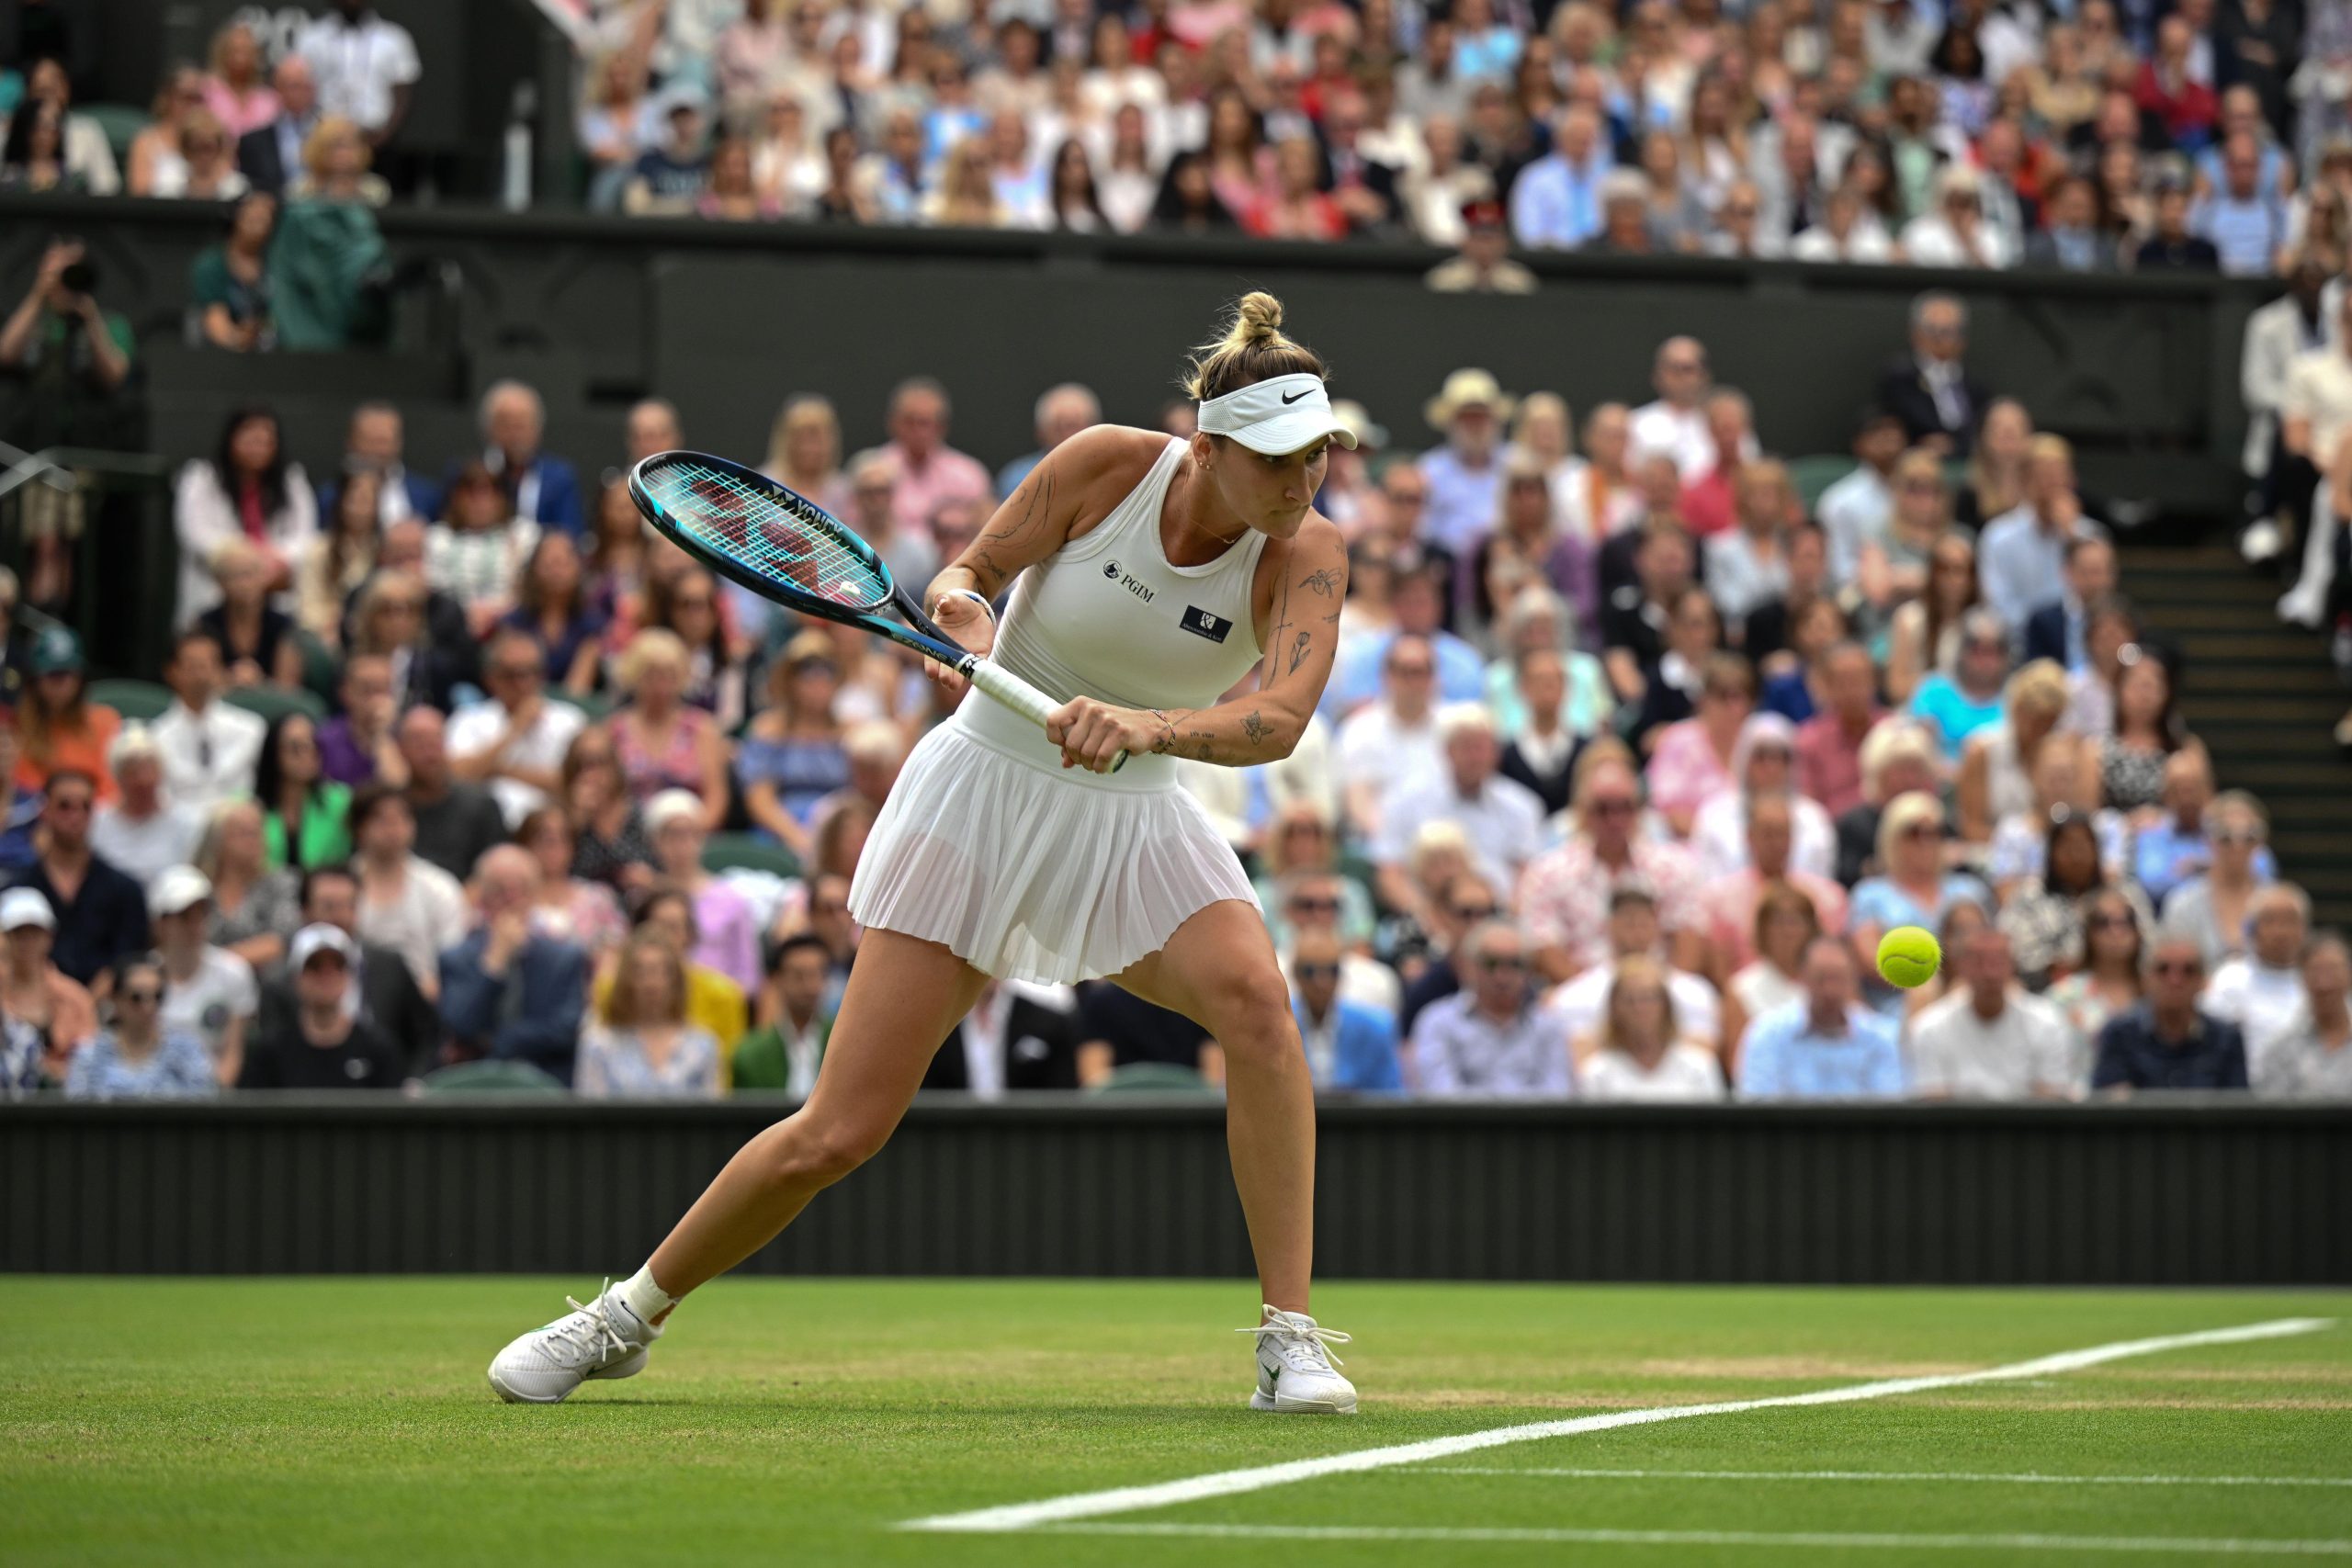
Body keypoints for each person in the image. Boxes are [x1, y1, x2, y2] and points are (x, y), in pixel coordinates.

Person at [489, 292, 1361, 1413]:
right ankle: (624, 1316)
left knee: (1257, 1006)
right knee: (840, 1131)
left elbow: (1280, 718)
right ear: (1210, 447)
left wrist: (1146, 727)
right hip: (981, 798)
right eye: (1282, 461)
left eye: (1321, 457)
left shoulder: (1309, 552)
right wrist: (962, 616)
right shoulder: (1105, 466)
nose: (1305, 484)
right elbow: (966, 575)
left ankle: (1289, 1338)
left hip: (1137, 818)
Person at [1521, 751, 1707, 982]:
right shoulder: (1547, 873)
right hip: (1580, 1000)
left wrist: (1654, 999)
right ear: (1581, 812)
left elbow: (1688, 946)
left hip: (1661, 996)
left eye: (1624, 807)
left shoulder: (1675, 867)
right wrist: (1596, 996)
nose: (1615, 820)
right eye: (1603, 808)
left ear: (1639, 811)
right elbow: (1544, 948)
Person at [251, 862, 441, 1077]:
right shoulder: (278, 982)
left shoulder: (390, 966)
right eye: (329, 906)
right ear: (305, 911)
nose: (340, 916)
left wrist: (411, 1084)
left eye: (349, 905)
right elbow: (272, 1058)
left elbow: (428, 1036)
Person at [438, 844, 592, 1083]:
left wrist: (495, 1042)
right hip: (473, 1086)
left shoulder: (564, 957)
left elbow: (564, 1030)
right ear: (483, 896)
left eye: (520, 889)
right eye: (499, 890)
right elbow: (460, 1026)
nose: (510, 899)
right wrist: (493, 964)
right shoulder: (456, 958)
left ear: (534, 894)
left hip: (546, 1082)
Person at [1371, 705, 1543, 912]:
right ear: (1446, 751)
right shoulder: (1403, 800)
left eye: (1482, 747)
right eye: (1466, 747)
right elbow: (1390, 875)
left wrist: (1505, 917)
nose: (1475, 756)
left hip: (1500, 917)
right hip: (1427, 916)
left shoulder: (1521, 805)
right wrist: (1428, 918)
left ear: (1496, 753)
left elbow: (1528, 876)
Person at [10, 770, 149, 988]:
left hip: (109, 1010)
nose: (75, 816)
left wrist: (90, 1001)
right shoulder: (17, 890)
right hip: (33, 1004)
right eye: (65, 806)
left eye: (85, 806)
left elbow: (130, 958)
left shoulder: (124, 890)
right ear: (44, 811)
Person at [1545, 886, 1722, 1053]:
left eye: (1644, 923)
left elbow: (1703, 1055)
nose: (1637, 932)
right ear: (1609, 927)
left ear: (1657, 928)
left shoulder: (1695, 993)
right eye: (1629, 923)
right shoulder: (1574, 996)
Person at [1908, 928, 2077, 1100]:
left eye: (1998, 961)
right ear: (1961, 965)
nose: (1990, 972)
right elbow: (1934, 1105)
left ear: (2012, 965)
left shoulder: (2047, 1023)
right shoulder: (1930, 1027)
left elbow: (2053, 1101)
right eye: (1979, 961)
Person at [1408, 920, 1573, 1096]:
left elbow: (1558, 1096)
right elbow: (1441, 1095)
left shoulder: (1549, 1027)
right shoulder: (1438, 1022)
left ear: (1529, 971)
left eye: (1515, 964)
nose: (1502, 976)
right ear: (1469, 966)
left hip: (1536, 1124)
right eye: (1491, 963)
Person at [447, 629, 586, 830]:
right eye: (512, 675)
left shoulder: (570, 720)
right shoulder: (469, 719)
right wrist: (513, 731)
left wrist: (500, 770)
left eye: (532, 672)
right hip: (483, 827)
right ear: (491, 678)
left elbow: (575, 784)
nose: (523, 683)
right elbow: (455, 777)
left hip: (551, 828)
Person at [1736, 934, 1905, 1099]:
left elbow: (1890, 1111)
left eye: (1838, 979)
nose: (1829, 990)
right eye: (1820, 979)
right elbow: (1756, 1108)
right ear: (1802, 978)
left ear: (1853, 979)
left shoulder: (1882, 1037)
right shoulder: (1768, 1033)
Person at [237, 923, 405, 1089]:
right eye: (315, 967)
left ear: (348, 976)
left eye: (337, 967)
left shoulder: (378, 1050)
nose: (327, 977)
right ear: (297, 977)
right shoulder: (271, 1053)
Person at [1978, 436, 2107, 635]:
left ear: (2072, 480)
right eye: (2045, 477)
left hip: (2080, 645)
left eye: (2059, 477)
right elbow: (1998, 608)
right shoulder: (1998, 537)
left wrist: (2071, 539)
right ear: (2025, 480)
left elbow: (2100, 602)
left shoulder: (2091, 536)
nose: (2053, 486)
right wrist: (2045, 628)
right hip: (2019, 646)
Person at [348, 784, 465, 998]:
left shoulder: (440, 886)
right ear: (359, 828)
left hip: (425, 998)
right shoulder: (341, 885)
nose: (394, 829)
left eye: (402, 819)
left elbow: (452, 955)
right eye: (382, 820)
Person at [2091, 935, 2249, 1093]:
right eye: (2163, 970)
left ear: (2203, 982)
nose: (2175, 980)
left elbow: (2237, 1111)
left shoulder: (2227, 1040)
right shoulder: (2119, 1035)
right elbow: (2109, 1107)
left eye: (2188, 971)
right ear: (2145, 979)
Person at [149, 864, 257, 1087]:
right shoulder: (141, 977)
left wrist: (212, 1103)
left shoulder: (234, 973)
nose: (194, 924)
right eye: (184, 916)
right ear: (160, 924)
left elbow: (233, 1053)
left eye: (201, 913)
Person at [1576, 953, 1727, 1101]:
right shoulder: (1597, 1073)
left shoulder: (1699, 1067)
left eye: (1649, 998)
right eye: (1629, 1000)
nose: (1640, 1008)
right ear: (1614, 1008)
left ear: (1666, 1005)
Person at [63, 953, 215, 1101]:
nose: (149, 1007)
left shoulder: (187, 1052)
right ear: (116, 999)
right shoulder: (89, 1055)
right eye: (137, 997)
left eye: (157, 996)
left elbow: (204, 1107)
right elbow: (76, 1114)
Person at [151, 630, 266, 814]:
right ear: (171, 672)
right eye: (192, 666)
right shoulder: (155, 739)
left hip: (235, 829)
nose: (200, 675)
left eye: (207, 665)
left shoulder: (251, 730)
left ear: (220, 670)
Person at [450, 381, 583, 536]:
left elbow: (570, 534)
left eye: (521, 425)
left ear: (537, 429)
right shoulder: (466, 473)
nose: (515, 434)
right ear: (488, 429)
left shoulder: (559, 478)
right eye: (506, 424)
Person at [2046, 886, 2147, 1084]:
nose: (2116, 931)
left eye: (2126, 921)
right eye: (2103, 923)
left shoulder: (2157, 993)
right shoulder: (2063, 996)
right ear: (2088, 934)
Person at [2162, 790, 2275, 966]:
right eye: (2225, 836)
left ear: (2261, 841)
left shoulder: (2276, 904)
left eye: (2249, 836)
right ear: (2208, 839)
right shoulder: (2183, 903)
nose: (2237, 845)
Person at [395, 707, 509, 881]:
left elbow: (497, 868)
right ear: (401, 749)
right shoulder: (389, 808)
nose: (429, 753)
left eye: (435, 742)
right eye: (419, 744)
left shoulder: (481, 806)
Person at [2201, 883, 2314, 1056]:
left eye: (2290, 921)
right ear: (2252, 929)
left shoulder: (2320, 983)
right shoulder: (2229, 980)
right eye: (2270, 921)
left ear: (2304, 929)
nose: (2281, 932)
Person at [1286, 927, 1403, 1094]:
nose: (1322, 982)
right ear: (1295, 974)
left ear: (1342, 974)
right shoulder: (1275, 1026)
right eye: (1310, 971)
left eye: (1332, 971)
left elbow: (1392, 1096)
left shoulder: (1376, 1027)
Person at [296, 0, 421, 152]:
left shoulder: (394, 39)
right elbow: (300, 88)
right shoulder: (311, 38)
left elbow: (403, 93)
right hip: (324, 136)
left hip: (377, 138)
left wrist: (386, 134)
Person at [0, 886, 97, 1078]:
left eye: (34, 932)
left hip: (62, 1099)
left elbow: (89, 1059)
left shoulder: (75, 997)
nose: (27, 941)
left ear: (49, 936)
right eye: (18, 933)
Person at [15, 626, 119, 804]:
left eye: (69, 673)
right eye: (53, 674)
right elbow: (22, 794)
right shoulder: (18, 727)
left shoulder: (105, 721)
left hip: (93, 821)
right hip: (34, 824)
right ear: (35, 680)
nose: (62, 683)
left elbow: (112, 794)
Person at [196, 799, 301, 971]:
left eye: (257, 831)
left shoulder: (282, 883)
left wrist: (214, 966)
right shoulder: (198, 888)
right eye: (243, 833)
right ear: (218, 840)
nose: (254, 840)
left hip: (266, 985)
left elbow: (279, 943)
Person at [729, 932, 833, 1096]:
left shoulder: (846, 1044)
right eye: (799, 976)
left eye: (817, 974)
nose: (810, 986)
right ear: (778, 980)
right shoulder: (750, 1055)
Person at [1908, 608, 2015, 763]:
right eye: (1977, 650)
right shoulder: (1933, 691)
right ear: (1962, 652)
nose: (1985, 660)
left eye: (1994, 651)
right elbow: (1922, 749)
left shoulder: (2016, 696)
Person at [2253, 933, 2352, 1098]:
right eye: (2315, 972)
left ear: (2348, 975)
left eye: (2333, 971)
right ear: (2302, 978)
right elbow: (2271, 1114)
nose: (2324, 984)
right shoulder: (2279, 1049)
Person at [1793, 642, 1883, 818]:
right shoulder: (1808, 740)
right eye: (1844, 681)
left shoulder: (1895, 731)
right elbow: (1808, 811)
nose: (1853, 689)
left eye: (1860, 679)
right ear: (1826, 687)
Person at [254, 714, 349, 873]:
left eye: (314, 745)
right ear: (273, 752)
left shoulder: (341, 802)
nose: (307, 754)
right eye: (295, 748)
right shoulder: (248, 809)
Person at [191, 190, 277, 352]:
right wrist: (238, 339)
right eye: (252, 215)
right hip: (222, 356)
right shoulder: (211, 264)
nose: (259, 217)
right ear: (235, 217)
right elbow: (215, 319)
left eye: (264, 216)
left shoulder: (277, 263)